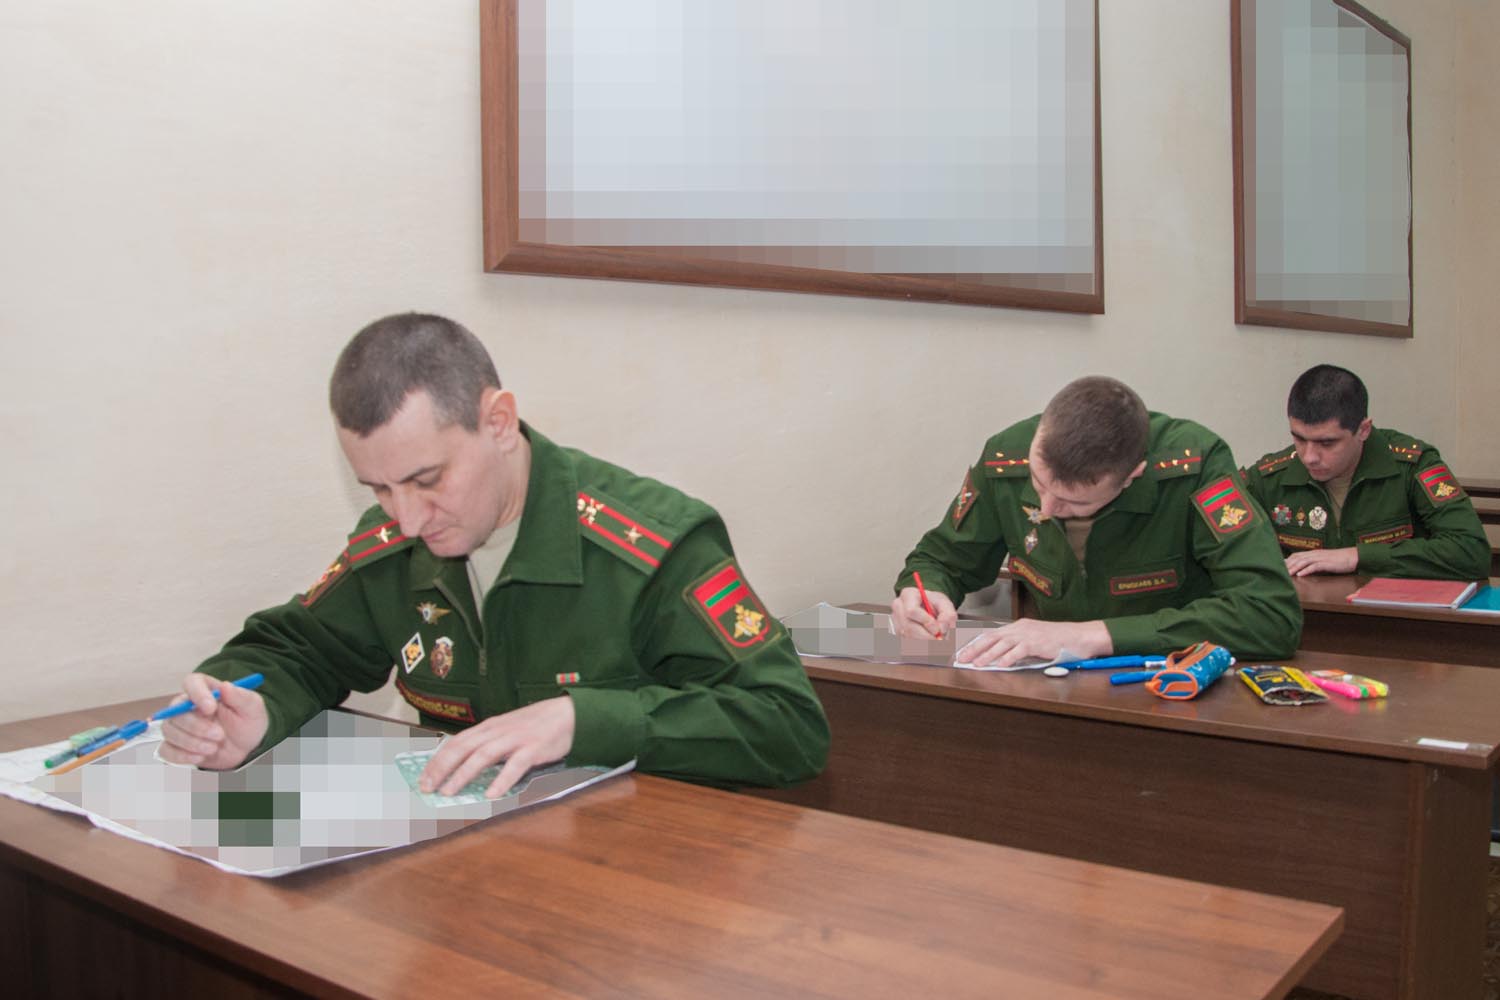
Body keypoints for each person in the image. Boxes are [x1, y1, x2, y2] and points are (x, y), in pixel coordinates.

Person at [160, 313, 829, 796]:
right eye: (379, 489)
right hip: (460, 870)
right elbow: (297, 651)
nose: (407, 519)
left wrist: (584, 721)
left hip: (635, 876)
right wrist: (247, 712)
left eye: (427, 480)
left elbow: (788, 725)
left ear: (499, 423)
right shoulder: (390, 548)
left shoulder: (651, 547)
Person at [891, 376, 1301, 667]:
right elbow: (940, 561)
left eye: (1073, 502)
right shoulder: (1005, 456)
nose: (1046, 508)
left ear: (1132, 476)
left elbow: (1270, 614)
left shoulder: (1194, 466)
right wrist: (922, 595)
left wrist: (1092, 636)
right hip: (1050, 687)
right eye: (1038, 483)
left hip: (1169, 686)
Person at [1242, 365, 1489, 579]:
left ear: (1363, 430)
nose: (1309, 457)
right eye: (1299, 439)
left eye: (1327, 443)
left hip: (1395, 616)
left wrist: (1358, 557)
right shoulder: (1269, 478)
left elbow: (1471, 551)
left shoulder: (1412, 466)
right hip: (1307, 615)